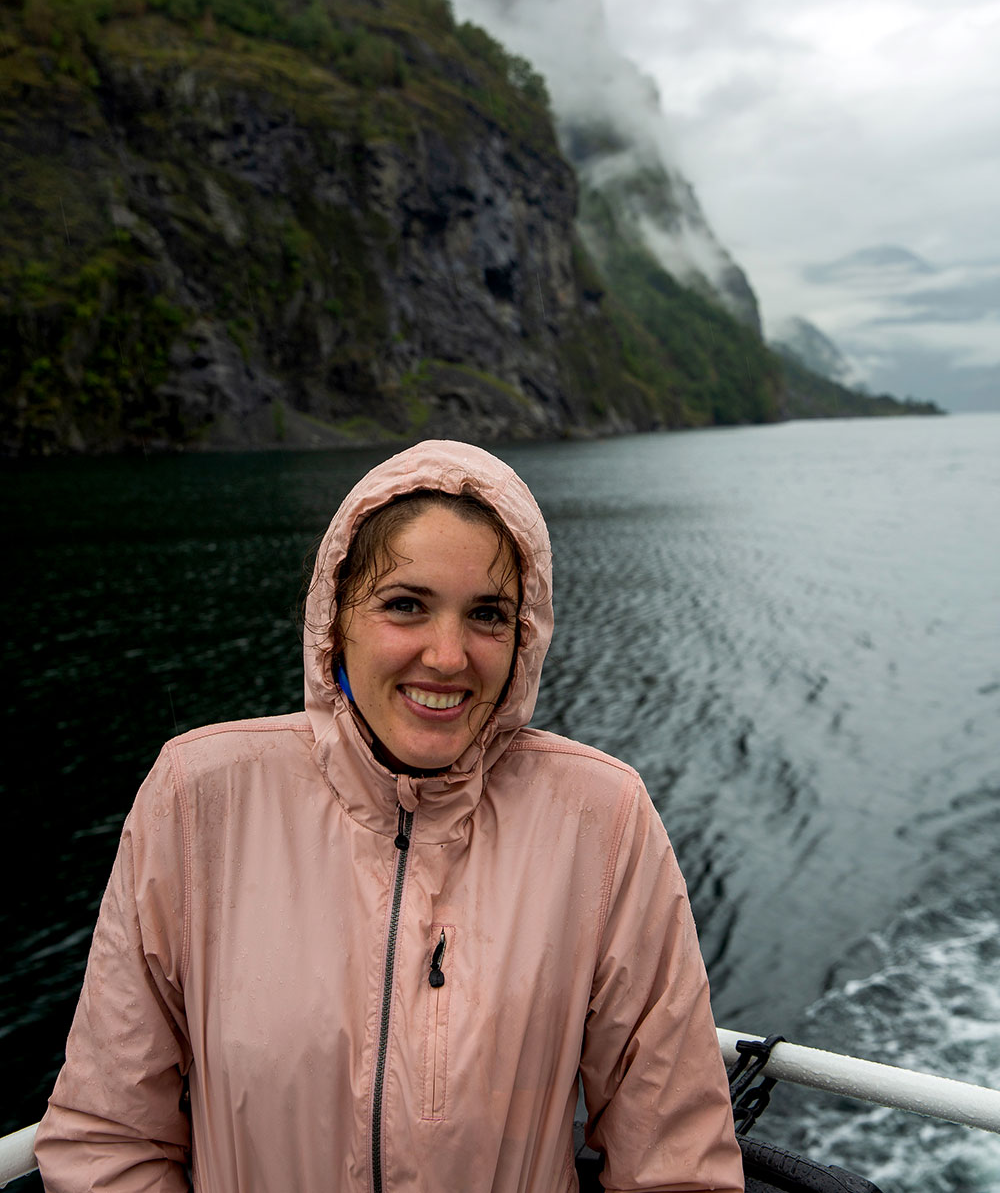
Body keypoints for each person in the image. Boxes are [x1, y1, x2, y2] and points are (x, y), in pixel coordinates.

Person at [35, 439, 744, 1193]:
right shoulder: (199, 799)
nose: (447, 655)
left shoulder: (599, 821)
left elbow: (675, 1160)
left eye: (487, 615)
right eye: (405, 604)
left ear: (523, 638)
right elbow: (108, 1139)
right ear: (333, 618)